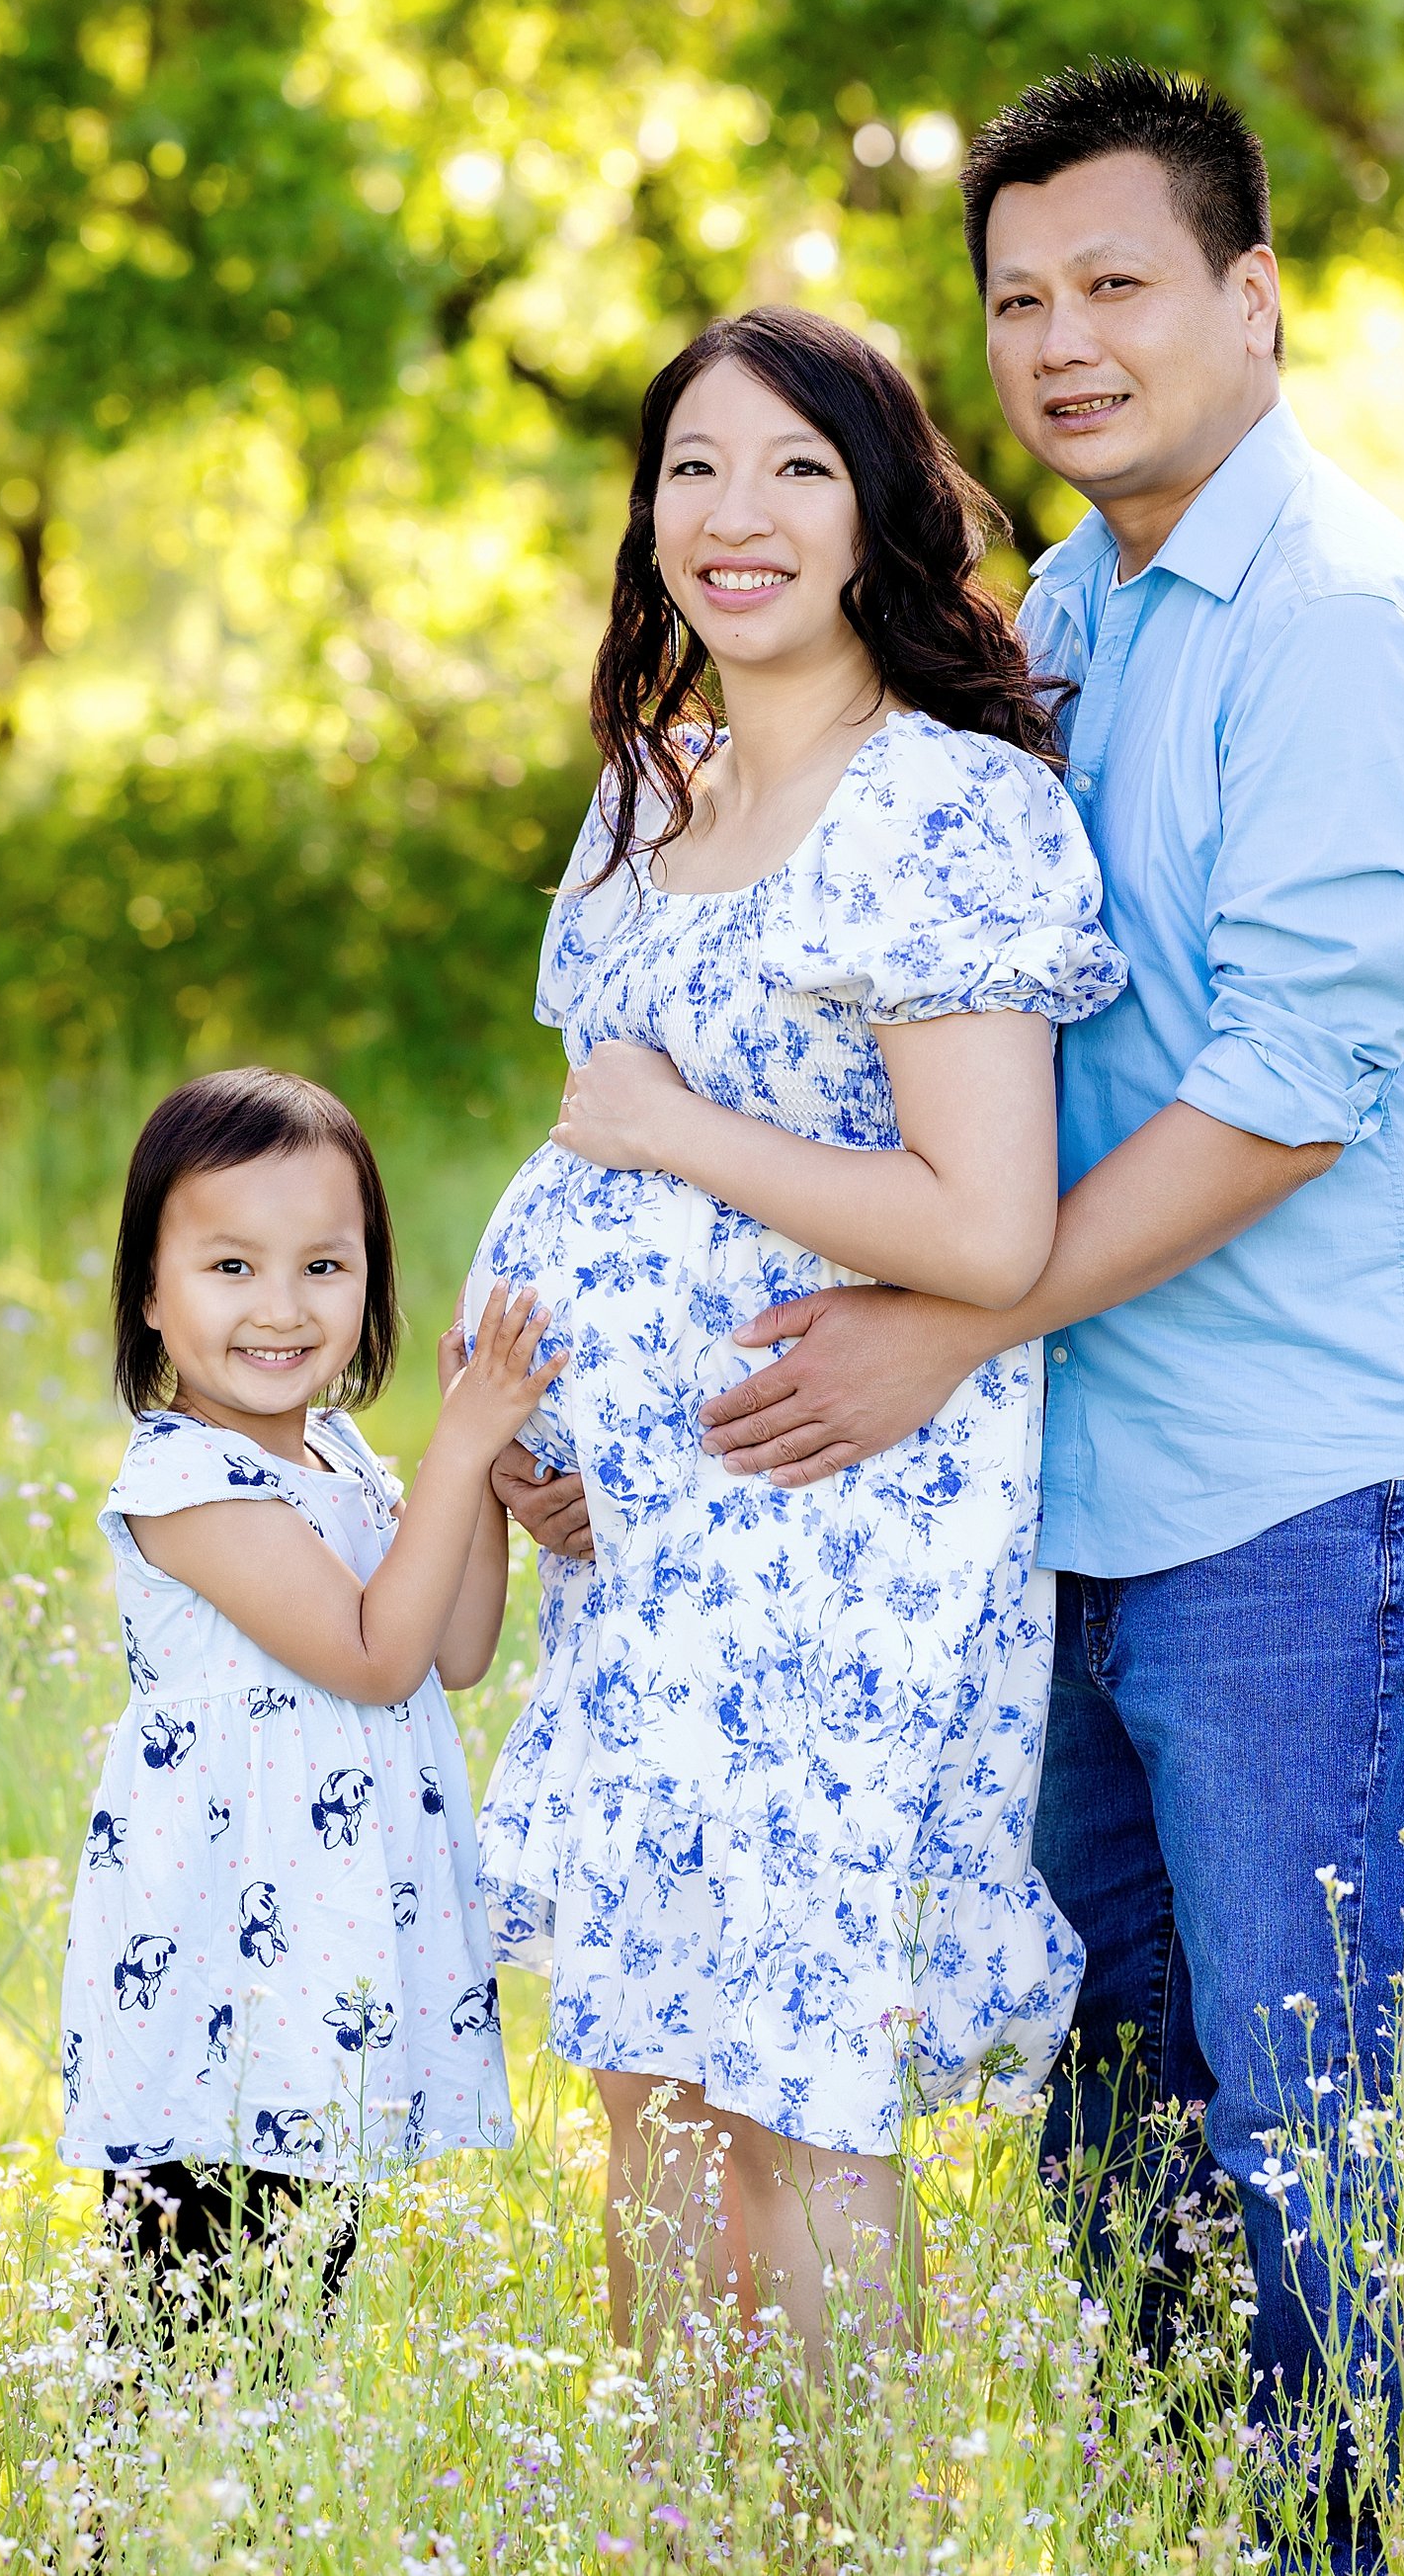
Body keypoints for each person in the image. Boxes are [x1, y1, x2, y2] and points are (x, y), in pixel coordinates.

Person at [498, 68, 1404, 2556]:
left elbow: (1291, 1078)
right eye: (1016, 297)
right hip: (1064, 1494)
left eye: (1115, 282)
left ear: (1250, 293)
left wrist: (951, 1320)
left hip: (1330, 1479)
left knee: (1300, 2113)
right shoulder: (1058, 624)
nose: (1063, 338)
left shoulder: (1337, 625)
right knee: (1115, 2127)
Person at [468, 305, 1125, 2365]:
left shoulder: (943, 809)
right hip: (645, 1545)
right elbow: (598, 1177)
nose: (731, 514)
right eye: (689, 467)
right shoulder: (645, 799)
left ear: (879, 517)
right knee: (646, 2084)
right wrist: (534, 1428)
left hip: (837, 1523)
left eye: (793, 469)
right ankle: (692, 2512)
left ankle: (833, 2510)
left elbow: (984, 1221)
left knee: (795, 2088)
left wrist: (683, 1126)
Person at [59, 1065, 558, 2308]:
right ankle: (141, 2509)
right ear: (149, 1296)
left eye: (323, 1267)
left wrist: (477, 1462)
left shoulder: (333, 1453)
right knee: (187, 2303)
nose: (279, 1307)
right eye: (230, 1267)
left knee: (294, 2296)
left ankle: (249, 2506)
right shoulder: (186, 1484)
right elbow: (373, 1655)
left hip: (319, 1956)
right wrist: (455, 1448)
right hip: (220, 1968)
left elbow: (451, 1646)